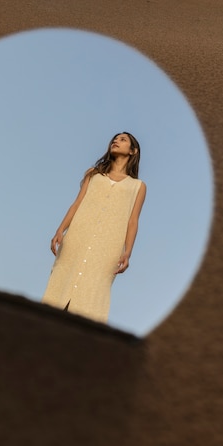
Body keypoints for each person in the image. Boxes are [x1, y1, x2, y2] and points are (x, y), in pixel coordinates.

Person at [42, 132, 146, 323]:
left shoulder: (138, 187)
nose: (116, 141)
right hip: (76, 239)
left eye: (123, 140)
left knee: (93, 294)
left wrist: (127, 252)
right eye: (115, 138)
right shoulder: (94, 174)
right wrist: (60, 230)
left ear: (133, 151)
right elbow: (77, 204)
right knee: (59, 286)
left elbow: (133, 221)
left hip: (107, 249)